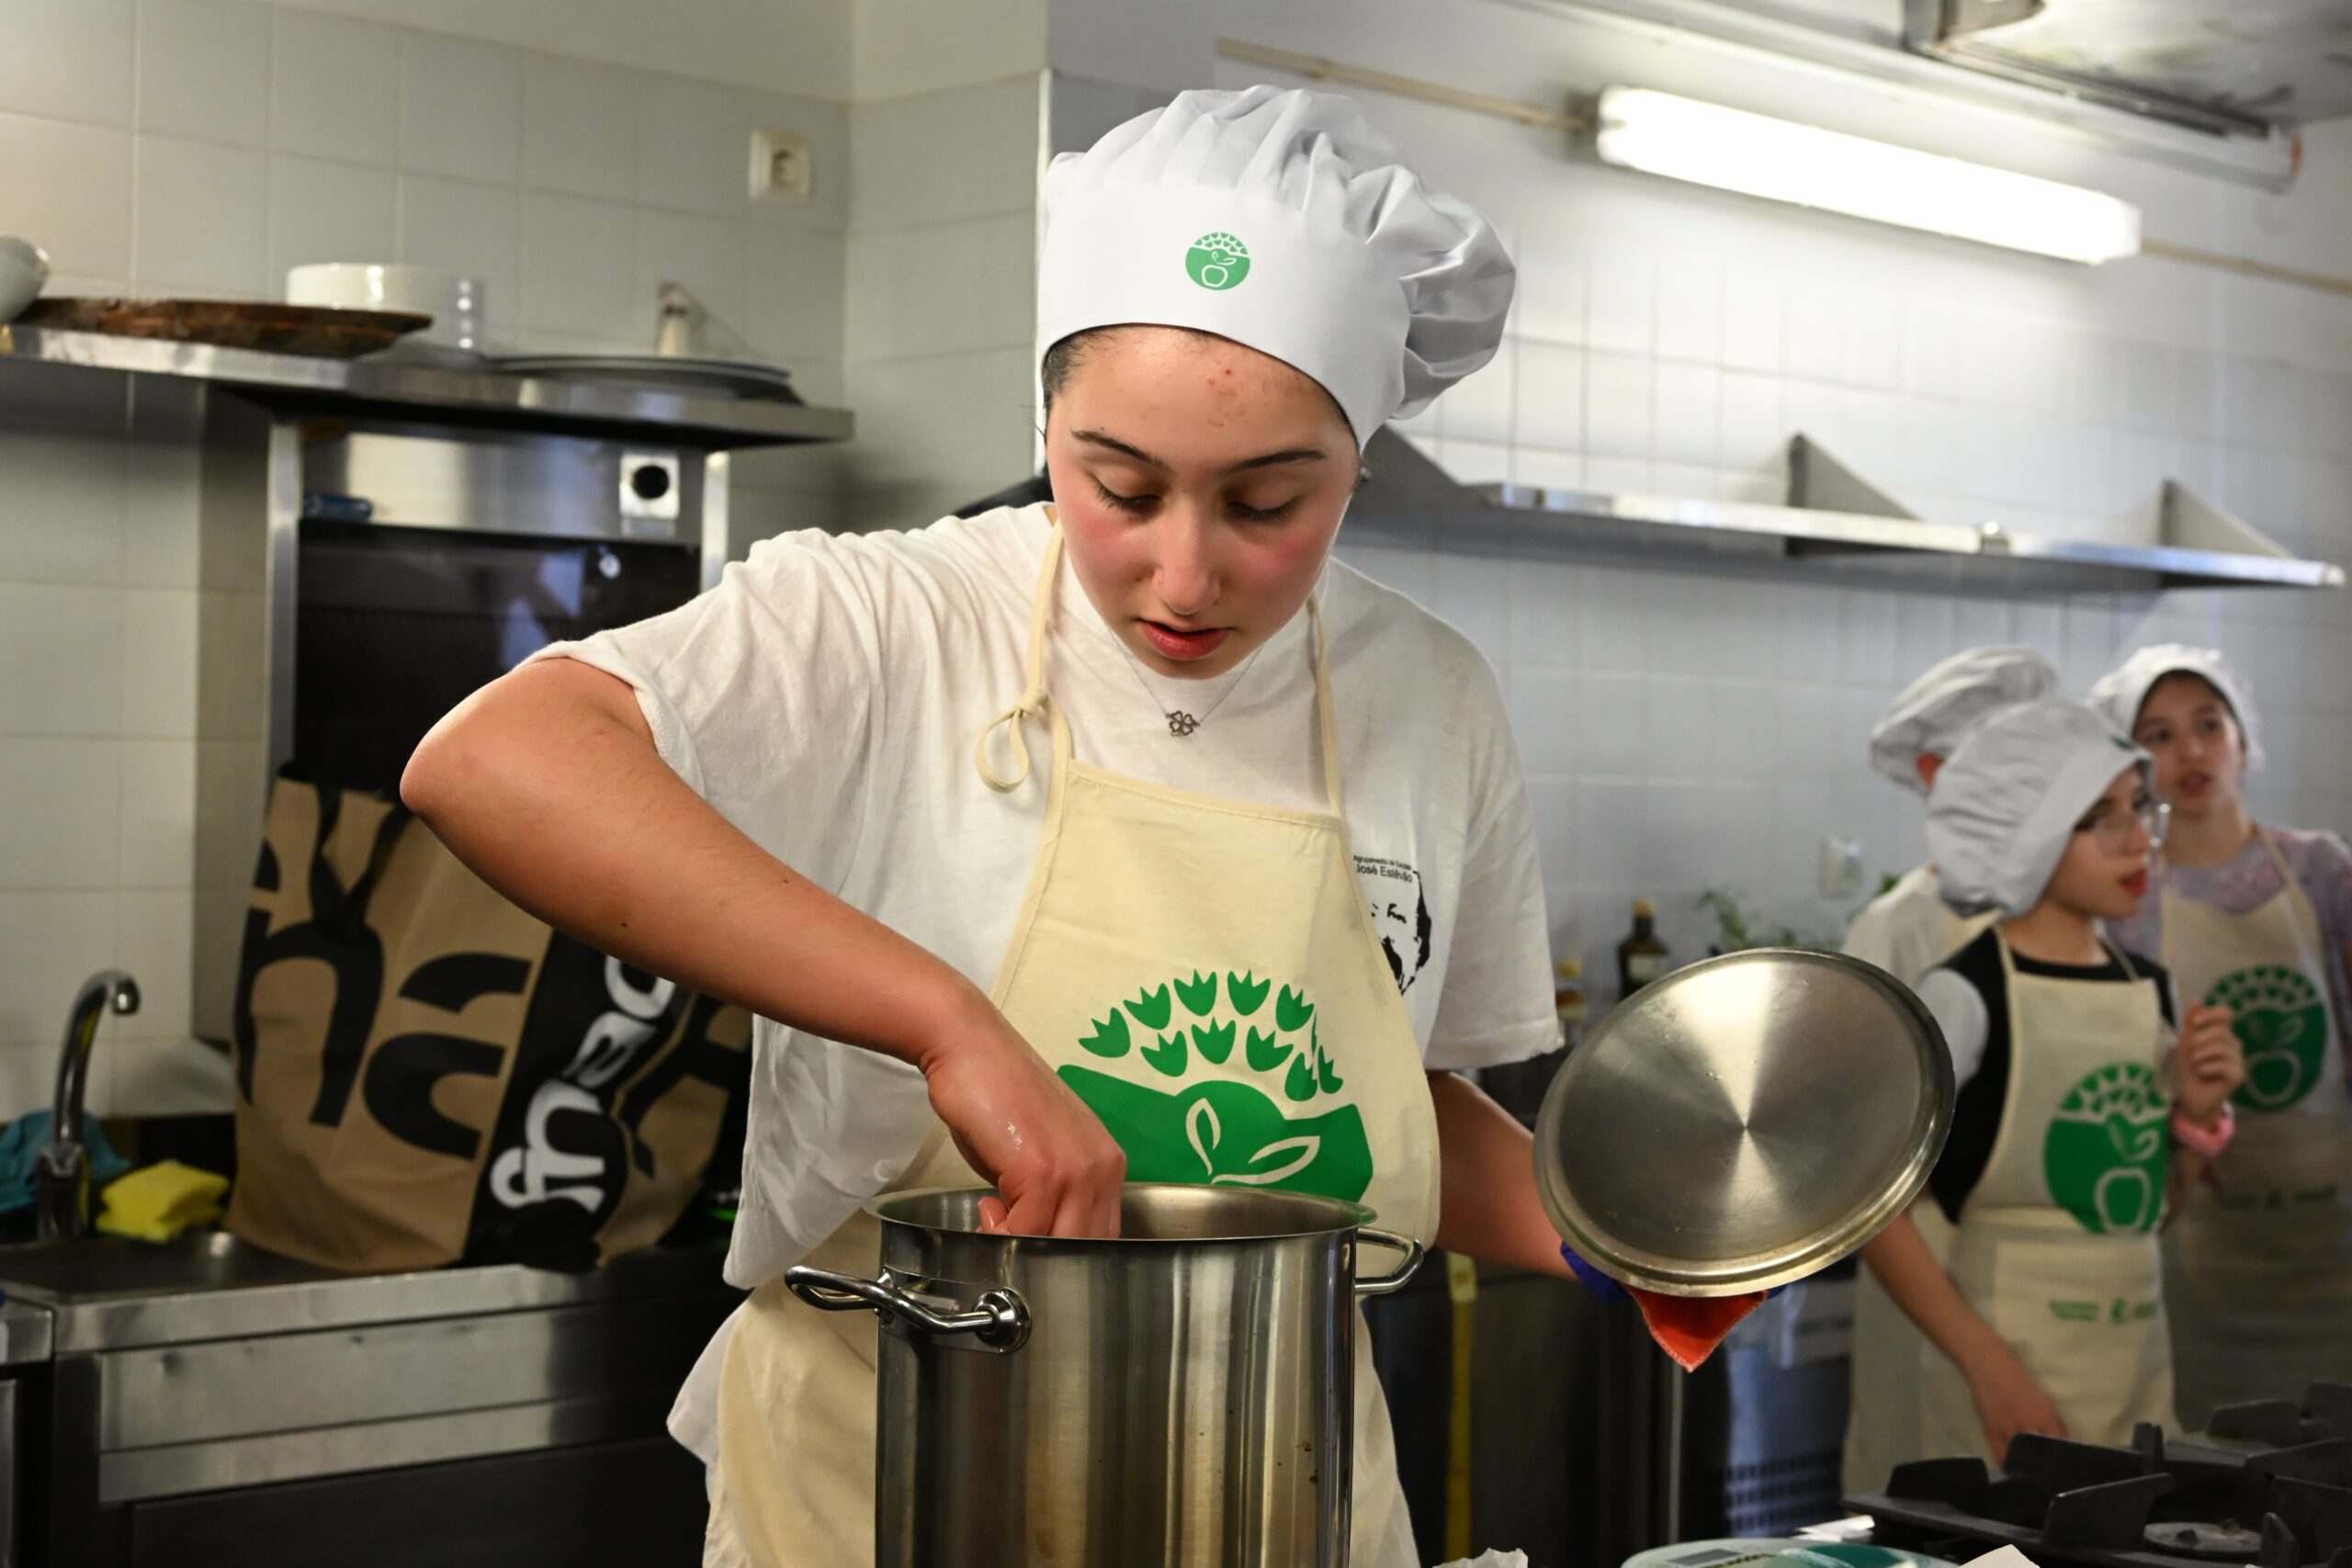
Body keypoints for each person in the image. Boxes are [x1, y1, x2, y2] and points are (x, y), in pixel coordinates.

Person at [400, 86, 1564, 1566]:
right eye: (1119, 485)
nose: (1184, 573)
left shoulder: (1431, 693)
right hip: (894, 1477)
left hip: (1278, 1482)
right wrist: (947, 1023)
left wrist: (1657, 1243)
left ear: (1358, 463)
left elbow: (1392, 1097)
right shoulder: (893, 617)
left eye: (1270, 501)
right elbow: (493, 760)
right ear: (1045, 426)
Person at [1857, 697, 2244, 1465]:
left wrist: (2196, 1125)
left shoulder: (2151, 988)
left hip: (2136, 1376)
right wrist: (1985, 1365)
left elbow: (2144, 1212)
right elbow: (1867, 1202)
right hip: (2008, 1377)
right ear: (2026, 835)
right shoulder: (1964, 994)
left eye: (2140, 809)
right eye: (2101, 820)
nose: (2139, 840)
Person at [2091, 644, 2352, 1425]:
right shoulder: (2128, 898)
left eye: (2209, 724)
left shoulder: (2320, 870)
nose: (2191, 751)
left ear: (2243, 739)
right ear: (2134, 763)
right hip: (2201, 1242)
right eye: (2160, 735)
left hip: (2334, 1228)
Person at [1841, 645, 2056, 1492]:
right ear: (1935, 774)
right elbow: (1856, 1145)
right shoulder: (1899, 926)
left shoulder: (2066, 909)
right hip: (1924, 1264)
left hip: (2047, 1281)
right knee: (1932, 1493)